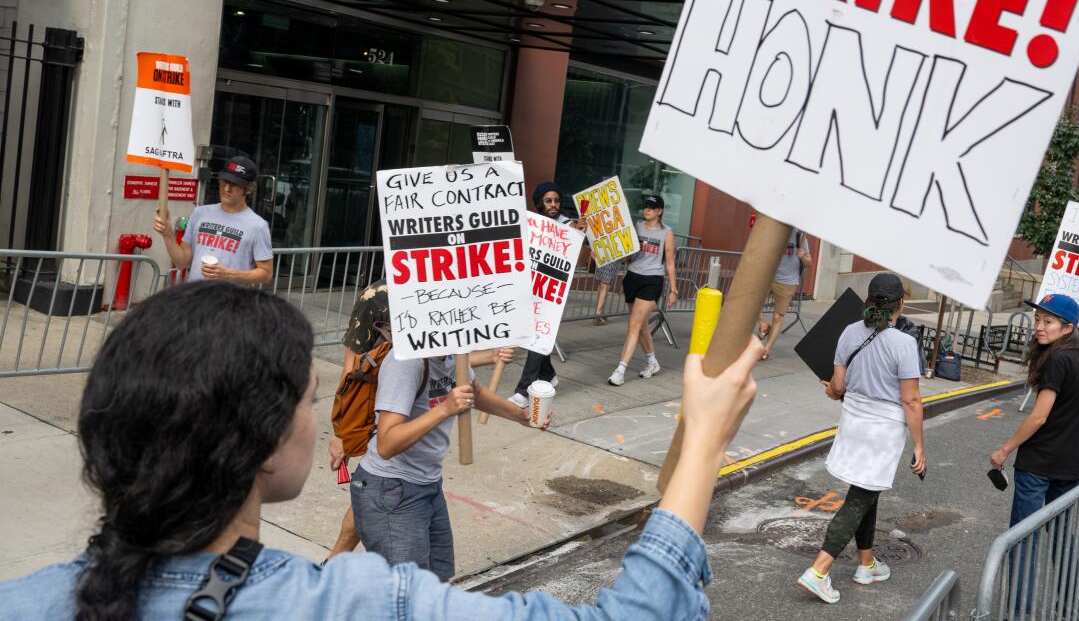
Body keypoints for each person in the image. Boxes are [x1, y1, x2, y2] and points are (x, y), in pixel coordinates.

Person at [0, 279, 764, 620]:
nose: (326, 415)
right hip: (392, 489)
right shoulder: (364, 601)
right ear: (264, 445)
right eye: (309, 397)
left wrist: (496, 402)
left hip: (421, 493)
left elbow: (464, 395)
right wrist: (702, 446)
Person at [326, 280, 512, 559]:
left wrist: (491, 355)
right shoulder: (376, 297)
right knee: (378, 484)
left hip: (411, 413)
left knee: (372, 497)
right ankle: (334, 566)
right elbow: (350, 371)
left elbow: (443, 349)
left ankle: (334, 564)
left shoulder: (449, 289)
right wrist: (342, 432)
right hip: (376, 409)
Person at [797, 273, 926, 604]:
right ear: (901, 304)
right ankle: (819, 571)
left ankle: (866, 563)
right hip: (882, 432)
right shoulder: (904, 343)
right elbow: (911, 400)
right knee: (859, 498)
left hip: (853, 423)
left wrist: (831, 389)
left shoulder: (850, 332)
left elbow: (837, 387)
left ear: (869, 300)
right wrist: (919, 446)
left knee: (868, 492)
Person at [989, 294, 1079, 524]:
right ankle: (1069, 564)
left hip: (1039, 461)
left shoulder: (1057, 359)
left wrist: (1005, 449)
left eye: (1048, 322)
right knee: (1061, 534)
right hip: (1072, 462)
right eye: (1037, 320)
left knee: (1022, 535)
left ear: (1067, 328)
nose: (1039, 327)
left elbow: (1039, 417)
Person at [153, 155, 273, 284]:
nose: (227, 189)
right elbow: (182, 262)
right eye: (224, 182)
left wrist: (229, 274)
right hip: (198, 297)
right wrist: (168, 234)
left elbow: (266, 273)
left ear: (248, 189)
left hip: (232, 301)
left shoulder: (258, 226)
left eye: (234, 184)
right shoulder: (200, 213)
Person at [508, 181, 569, 408]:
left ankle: (523, 391)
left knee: (538, 338)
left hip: (553, 292)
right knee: (535, 336)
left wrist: (580, 233)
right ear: (540, 203)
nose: (553, 205)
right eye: (548, 201)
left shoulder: (569, 225)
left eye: (556, 200)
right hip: (532, 287)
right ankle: (549, 375)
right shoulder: (533, 224)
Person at [608, 194, 677, 386]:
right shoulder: (636, 227)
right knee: (641, 325)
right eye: (645, 206)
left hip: (653, 279)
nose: (647, 209)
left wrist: (674, 290)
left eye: (651, 207)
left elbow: (670, 263)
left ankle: (620, 370)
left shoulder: (667, 233)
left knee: (634, 324)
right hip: (632, 277)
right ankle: (652, 362)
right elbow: (625, 253)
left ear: (659, 211)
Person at [762, 227, 811, 359]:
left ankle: (767, 349)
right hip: (768, 275)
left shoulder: (800, 237)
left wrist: (803, 257)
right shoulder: (774, 231)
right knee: (751, 304)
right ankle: (763, 325)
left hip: (788, 281)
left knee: (778, 316)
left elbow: (809, 262)